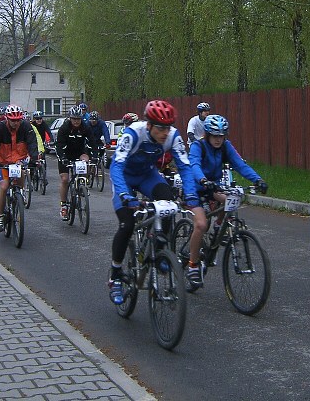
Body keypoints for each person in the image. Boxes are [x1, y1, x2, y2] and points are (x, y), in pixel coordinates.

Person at [107, 100, 198, 304]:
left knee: (167, 202)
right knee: (127, 223)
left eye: (168, 127)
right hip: (126, 178)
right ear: (148, 125)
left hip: (148, 176)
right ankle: (115, 275)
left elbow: (184, 166)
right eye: (160, 128)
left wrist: (191, 195)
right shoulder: (133, 133)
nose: (165, 133)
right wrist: (124, 195)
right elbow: (116, 166)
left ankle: (159, 250)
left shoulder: (173, 136)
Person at [186, 114, 267, 290]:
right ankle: (192, 265)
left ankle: (219, 228)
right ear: (207, 134)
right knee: (201, 225)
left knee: (231, 199)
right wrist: (202, 180)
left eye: (221, 136)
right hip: (195, 187)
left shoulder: (225, 147)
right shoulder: (198, 146)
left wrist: (257, 180)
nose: (218, 139)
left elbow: (240, 164)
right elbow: (194, 166)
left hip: (213, 186)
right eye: (215, 135)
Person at [0, 105, 38, 232]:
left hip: (18, 161)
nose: (16, 123)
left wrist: (34, 159)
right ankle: (0, 216)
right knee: (4, 187)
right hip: (2, 161)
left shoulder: (26, 127)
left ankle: (20, 195)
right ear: (7, 118)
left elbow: (32, 143)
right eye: (13, 120)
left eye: (18, 120)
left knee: (20, 177)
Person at [54, 106, 94, 221]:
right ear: (70, 118)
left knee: (86, 161)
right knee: (65, 179)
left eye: (78, 119)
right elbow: (59, 146)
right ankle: (64, 205)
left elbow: (92, 142)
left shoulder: (85, 127)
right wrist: (62, 158)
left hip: (79, 153)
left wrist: (94, 156)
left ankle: (83, 185)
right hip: (65, 155)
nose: (76, 121)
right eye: (74, 119)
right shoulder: (64, 128)